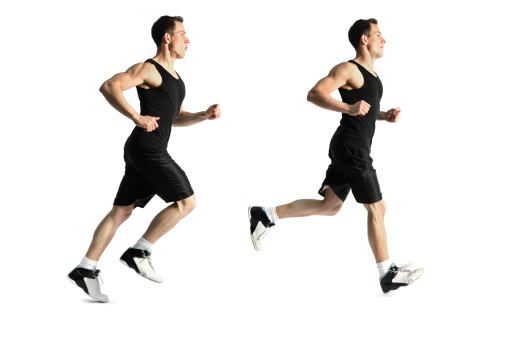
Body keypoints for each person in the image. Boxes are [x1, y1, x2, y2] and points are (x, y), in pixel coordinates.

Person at [248, 18, 423, 293]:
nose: (384, 39)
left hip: (351, 147)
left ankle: (266, 214)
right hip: (351, 148)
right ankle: (386, 274)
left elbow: (362, 110)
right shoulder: (348, 69)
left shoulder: (374, 78)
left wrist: (383, 116)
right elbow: (314, 93)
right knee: (377, 207)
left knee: (330, 206)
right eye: (378, 35)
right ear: (364, 40)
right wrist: (347, 107)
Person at [68, 15, 221, 302]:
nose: (188, 40)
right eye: (183, 34)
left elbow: (174, 118)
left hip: (145, 149)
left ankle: (85, 269)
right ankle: (140, 251)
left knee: (121, 212)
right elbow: (109, 86)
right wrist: (137, 117)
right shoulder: (148, 69)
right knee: (187, 202)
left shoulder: (177, 80)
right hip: (147, 148)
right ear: (167, 38)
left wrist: (203, 115)